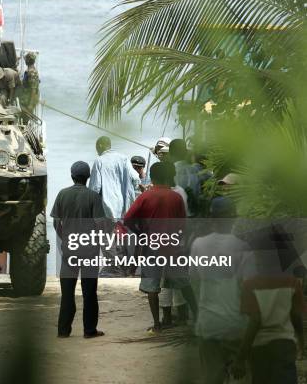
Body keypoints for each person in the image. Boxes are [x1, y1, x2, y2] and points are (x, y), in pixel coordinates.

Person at [123, 162, 198, 333]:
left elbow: (127, 219)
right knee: (184, 283)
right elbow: (183, 224)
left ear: (153, 176)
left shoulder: (145, 196)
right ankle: (198, 316)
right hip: (173, 246)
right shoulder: (176, 197)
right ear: (166, 176)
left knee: (152, 287)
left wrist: (140, 231)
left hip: (152, 246)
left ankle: (157, 325)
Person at [191, 197, 252, 384]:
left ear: (211, 218)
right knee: (240, 377)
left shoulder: (198, 245)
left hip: (208, 322)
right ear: (234, 218)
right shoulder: (242, 247)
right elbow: (247, 289)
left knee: (211, 377)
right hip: (235, 324)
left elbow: (194, 282)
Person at [52, 161, 107, 339]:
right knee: (89, 292)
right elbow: (100, 224)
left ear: (72, 175)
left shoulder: (62, 194)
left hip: (69, 251)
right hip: (89, 251)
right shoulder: (93, 197)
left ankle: (63, 330)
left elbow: (56, 223)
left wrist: (65, 237)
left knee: (67, 292)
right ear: (88, 177)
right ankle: (89, 330)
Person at [230, 256, 305, 383]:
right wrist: (301, 342)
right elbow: (296, 317)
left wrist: (240, 358)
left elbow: (254, 321)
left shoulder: (250, 285)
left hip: (259, 347)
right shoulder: (292, 282)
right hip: (285, 344)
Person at [88, 136, 138, 220]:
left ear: (100, 145)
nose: (96, 151)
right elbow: (136, 178)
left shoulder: (99, 161)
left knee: (108, 232)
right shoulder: (124, 158)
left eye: (96, 148)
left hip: (107, 208)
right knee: (121, 231)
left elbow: (95, 188)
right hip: (124, 206)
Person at [169, 139, 200, 216]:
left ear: (170, 153)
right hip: (194, 215)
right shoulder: (197, 170)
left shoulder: (168, 172)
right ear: (185, 152)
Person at [18, 52, 40, 118]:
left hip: (28, 101)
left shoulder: (32, 72)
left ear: (28, 61)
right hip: (25, 99)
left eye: (25, 60)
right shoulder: (29, 71)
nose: (25, 61)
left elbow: (33, 89)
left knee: (25, 118)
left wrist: (30, 105)